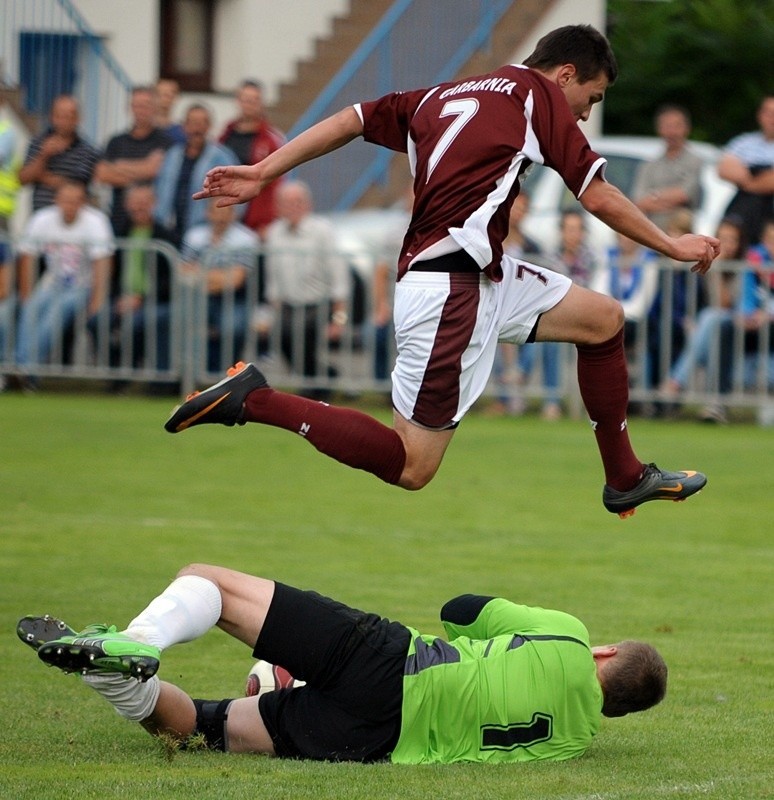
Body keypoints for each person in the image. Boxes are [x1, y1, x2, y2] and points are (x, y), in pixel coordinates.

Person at [168, 24, 720, 518]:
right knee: (412, 466)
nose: (584, 114)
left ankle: (624, 477)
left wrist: (266, 170)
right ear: (566, 73)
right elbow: (595, 195)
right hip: (452, 292)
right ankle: (254, 399)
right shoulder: (539, 95)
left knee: (602, 318)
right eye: (590, 98)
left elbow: (351, 119)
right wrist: (672, 244)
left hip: (480, 274)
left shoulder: (444, 93)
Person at [19, 561, 668, 763]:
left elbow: (461, 607)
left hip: (393, 665)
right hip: (376, 742)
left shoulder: (568, 638)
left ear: (605, 652)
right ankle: (116, 681)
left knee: (210, 586)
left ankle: (138, 643)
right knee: (200, 731)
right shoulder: (575, 741)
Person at [260, 180, 350, 398]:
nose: (293, 207)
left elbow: (338, 275)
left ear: (308, 204)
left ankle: (317, 384)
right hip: (289, 304)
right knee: (280, 334)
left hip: (319, 303)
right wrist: (273, 311)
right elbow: (273, 277)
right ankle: (323, 377)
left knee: (301, 332)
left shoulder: (322, 230)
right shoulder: (273, 233)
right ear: (278, 206)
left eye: (298, 202)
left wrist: (339, 318)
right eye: (287, 202)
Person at [14, 181, 114, 377]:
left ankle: (23, 369)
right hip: (50, 283)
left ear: (83, 203)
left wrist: (97, 299)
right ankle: (22, 369)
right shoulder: (42, 218)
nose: (69, 206)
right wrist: (27, 294)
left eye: (75, 201)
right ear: (56, 200)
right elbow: (27, 257)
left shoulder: (96, 221)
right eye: (65, 201)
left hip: (81, 286)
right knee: (29, 314)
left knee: (54, 317)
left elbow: (103, 263)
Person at [660, 216, 748, 423]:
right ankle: (712, 406)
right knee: (707, 324)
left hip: (737, 329)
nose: (727, 245)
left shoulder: (744, 269)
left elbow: (725, 305)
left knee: (711, 318)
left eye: (732, 239)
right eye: (723, 238)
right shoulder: (704, 267)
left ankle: (675, 382)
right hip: (709, 330)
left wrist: (717, 268)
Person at [92, 183, 178, 383]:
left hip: (156, 300)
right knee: (96, 321)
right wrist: (119, 298)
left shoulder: (167, 236)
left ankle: (130, 376)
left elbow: (170, 281)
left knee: (137, 323)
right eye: (135, 203)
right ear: (126, 204)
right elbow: (112, 273)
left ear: (154, 204)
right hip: (122, 299)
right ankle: (113, 374)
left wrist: (140, 298)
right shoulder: (118, 232)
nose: (139, 207)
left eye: (144, 203)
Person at [179, 199, 259, 373]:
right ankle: (189, 376)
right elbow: (184, 273)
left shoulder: (246, 239)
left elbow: (235, 279)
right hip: (199, 298)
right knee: (181, 319)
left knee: (233, 327)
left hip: (235, 299)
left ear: (234, 214)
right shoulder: (194, 235)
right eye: (216, 210)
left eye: (226, 210)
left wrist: (201, 274)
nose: (221, 215)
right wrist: (219, 277)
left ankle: (229, 375)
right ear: (207, 212)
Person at [94, 85, 174, 234]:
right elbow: (102, 174)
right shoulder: (116, 142)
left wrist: (118, 166)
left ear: (155, 108)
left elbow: (155, 170)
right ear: (129, 108)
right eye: (136, 105)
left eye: (146, 106)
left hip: (153, 223)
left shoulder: (166, 142)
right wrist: (144, 168)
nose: (141, 110)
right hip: (119, 221)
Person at [154, 104, 239, 243]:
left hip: (204, 235)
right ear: (184, 126)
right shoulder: (171, 156)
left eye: (202, 123)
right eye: (193, 123)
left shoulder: (223, 158)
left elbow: (236, 196)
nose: (197, 128)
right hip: (168, 230)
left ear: (209, 126)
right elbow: (158, 190)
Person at [218, 80, 286, 239]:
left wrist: (267, 222)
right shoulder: (224, 137)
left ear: (261, 103)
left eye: (254, 100)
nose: (249, 104)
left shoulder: (272, 140)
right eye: (245, 99)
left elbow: (277, 183)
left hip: (258, 224)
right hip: (227, 221)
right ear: (237, 101)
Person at [18, 94, 100, 212]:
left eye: (68, 116)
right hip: (41, 218)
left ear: (78, 119)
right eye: (59, 116)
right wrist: (43, 155)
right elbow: (23, 179)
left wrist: (42, 176)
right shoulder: (38, 142)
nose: (63, 121)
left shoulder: (87, 150)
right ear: (51, 117)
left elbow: (78, 190)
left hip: (73, 221)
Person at [632, 104, 704, 233]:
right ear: (659, 129)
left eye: (677, 126)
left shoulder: (695, 161)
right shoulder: (649, 166)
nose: (672, 132)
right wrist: (672, 202)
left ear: (687, 128)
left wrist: (654, 195)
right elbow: (639, 200)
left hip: (682, 236)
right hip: (653, 235)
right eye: (667, 126)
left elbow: (685, 194)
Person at [717, 95, 774, 246]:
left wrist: (748, 182)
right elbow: (724, 169)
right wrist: (762, 180)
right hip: (745, 206)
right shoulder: (744, 142)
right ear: (760, 115)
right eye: (769, 113)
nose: (772, 119)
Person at [155, 78, 186, 145]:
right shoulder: (144, 128)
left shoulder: (183, 130)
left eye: (167, 95)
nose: (163, 99)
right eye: (159, 95)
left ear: (176, 97)